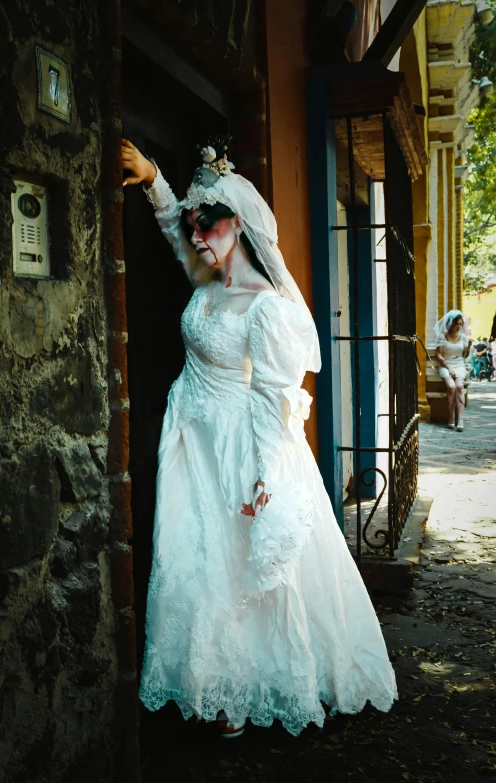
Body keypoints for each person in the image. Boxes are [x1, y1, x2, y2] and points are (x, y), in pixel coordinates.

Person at [121, 139, 397, 738]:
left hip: (237, 446)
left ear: (238, 224)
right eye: (195, 225)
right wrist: (153, 181)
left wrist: (265, 477)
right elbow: (174, 232)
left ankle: (241, 689)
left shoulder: (266, 306)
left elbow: (276, 399)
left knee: (235, 567)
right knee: (194, 561)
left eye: (208, 225)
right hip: (190, 441)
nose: (196, 236)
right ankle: (204, 677)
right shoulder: (209, 279)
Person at [435, 311, 471, 431]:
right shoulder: (442, 337)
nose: (459, 327)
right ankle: (451, 417)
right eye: (457, 324)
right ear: (451, 324)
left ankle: (460, 419)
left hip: (459, 365)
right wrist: (448, 369)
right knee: (451, 387)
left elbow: (464, 356)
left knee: (459, 387)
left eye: (461, 324)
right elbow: (439, 355)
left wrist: (469, 347)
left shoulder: (463, 338)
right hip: (446, 365)